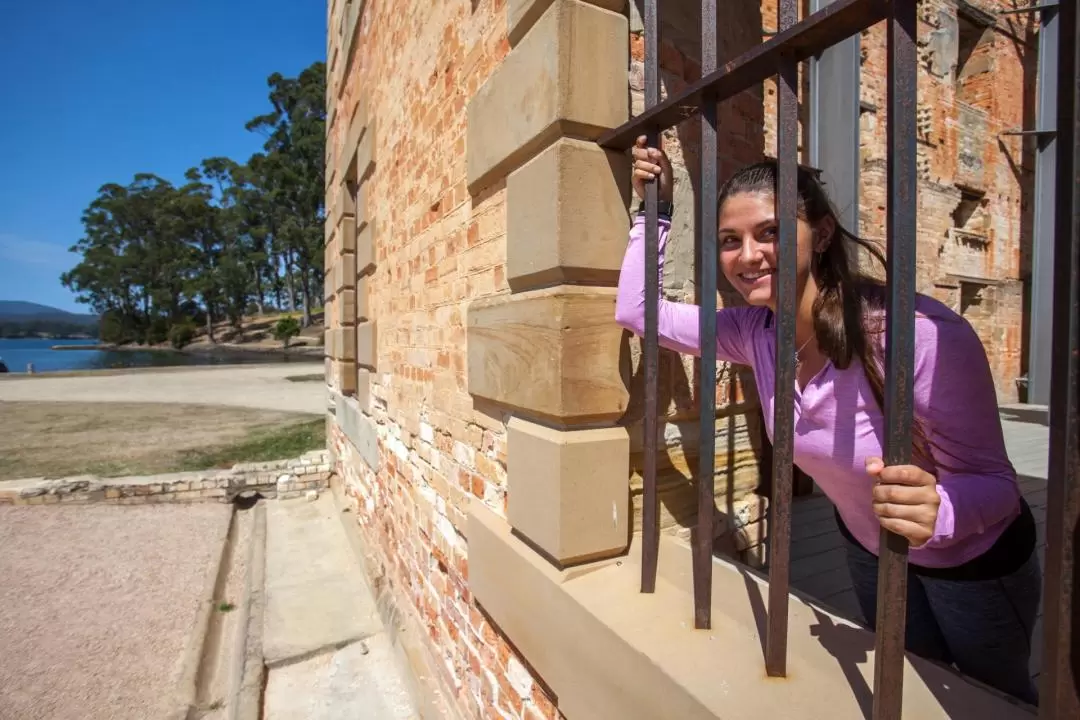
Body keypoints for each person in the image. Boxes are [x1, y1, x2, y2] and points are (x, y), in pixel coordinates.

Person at [615, 137, 1041, 704]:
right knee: (906, 688)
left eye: (769, 232)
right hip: (871, 551)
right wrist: (657, 210)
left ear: (821, 233)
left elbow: (998, 488)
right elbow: (638, 311)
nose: (747, 256)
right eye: (729, 241)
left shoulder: (918, 337)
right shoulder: (755, 333)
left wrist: (940, 511)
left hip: (973, 563)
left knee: (991, 701)